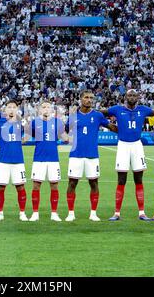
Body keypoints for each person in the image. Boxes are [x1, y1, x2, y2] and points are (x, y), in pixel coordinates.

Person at [102, 89, 154, 221]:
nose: (132, 97)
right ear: (125, 97)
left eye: (134, 95)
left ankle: (142, 213)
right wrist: (108, 125)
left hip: (137, 146)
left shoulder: (143, 109)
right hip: (123, 145)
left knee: (138, 179)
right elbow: (101, 113)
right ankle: (116, 213)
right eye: (129, 95)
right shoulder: (117, 109)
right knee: (121, 180)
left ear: (138, 97)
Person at [64, 90, 117, 222]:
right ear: (81, 99)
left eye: (91, 98)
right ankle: (71, 213)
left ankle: (93, 213)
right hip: (76, 154)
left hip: (92, 155)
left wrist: (124, 127)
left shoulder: (98, 115)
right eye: (86, 97)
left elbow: (110, 126)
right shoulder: (73, 115)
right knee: (72, 183)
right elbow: (64, 131)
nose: (89, 100)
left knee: (94, 183)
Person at [24, 101, 68, 222]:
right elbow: (26, 138)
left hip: (53, 159)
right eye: (43, 107)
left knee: (54, 185)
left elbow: (65, 138)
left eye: (48, 107)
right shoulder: (34, 122)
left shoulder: (57, 122)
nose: (46, 109)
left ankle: (54, 213)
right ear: (39, 110)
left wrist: (70, 136)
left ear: (52, 110)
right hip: (39, 159)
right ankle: (35, 213)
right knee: (36, 186)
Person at [0, 99, 28, 222]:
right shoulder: (0, 121)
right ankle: (0, 213)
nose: (12, 109)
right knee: (0, 187)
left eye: (14, 107)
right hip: (3, 160)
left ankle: (22, 213)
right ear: (5, 110)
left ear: (17, 109)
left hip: (18, 160)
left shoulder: (21, 122)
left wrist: (23, 140)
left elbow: (29, 133)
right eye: (9, 107)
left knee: (20, 187)